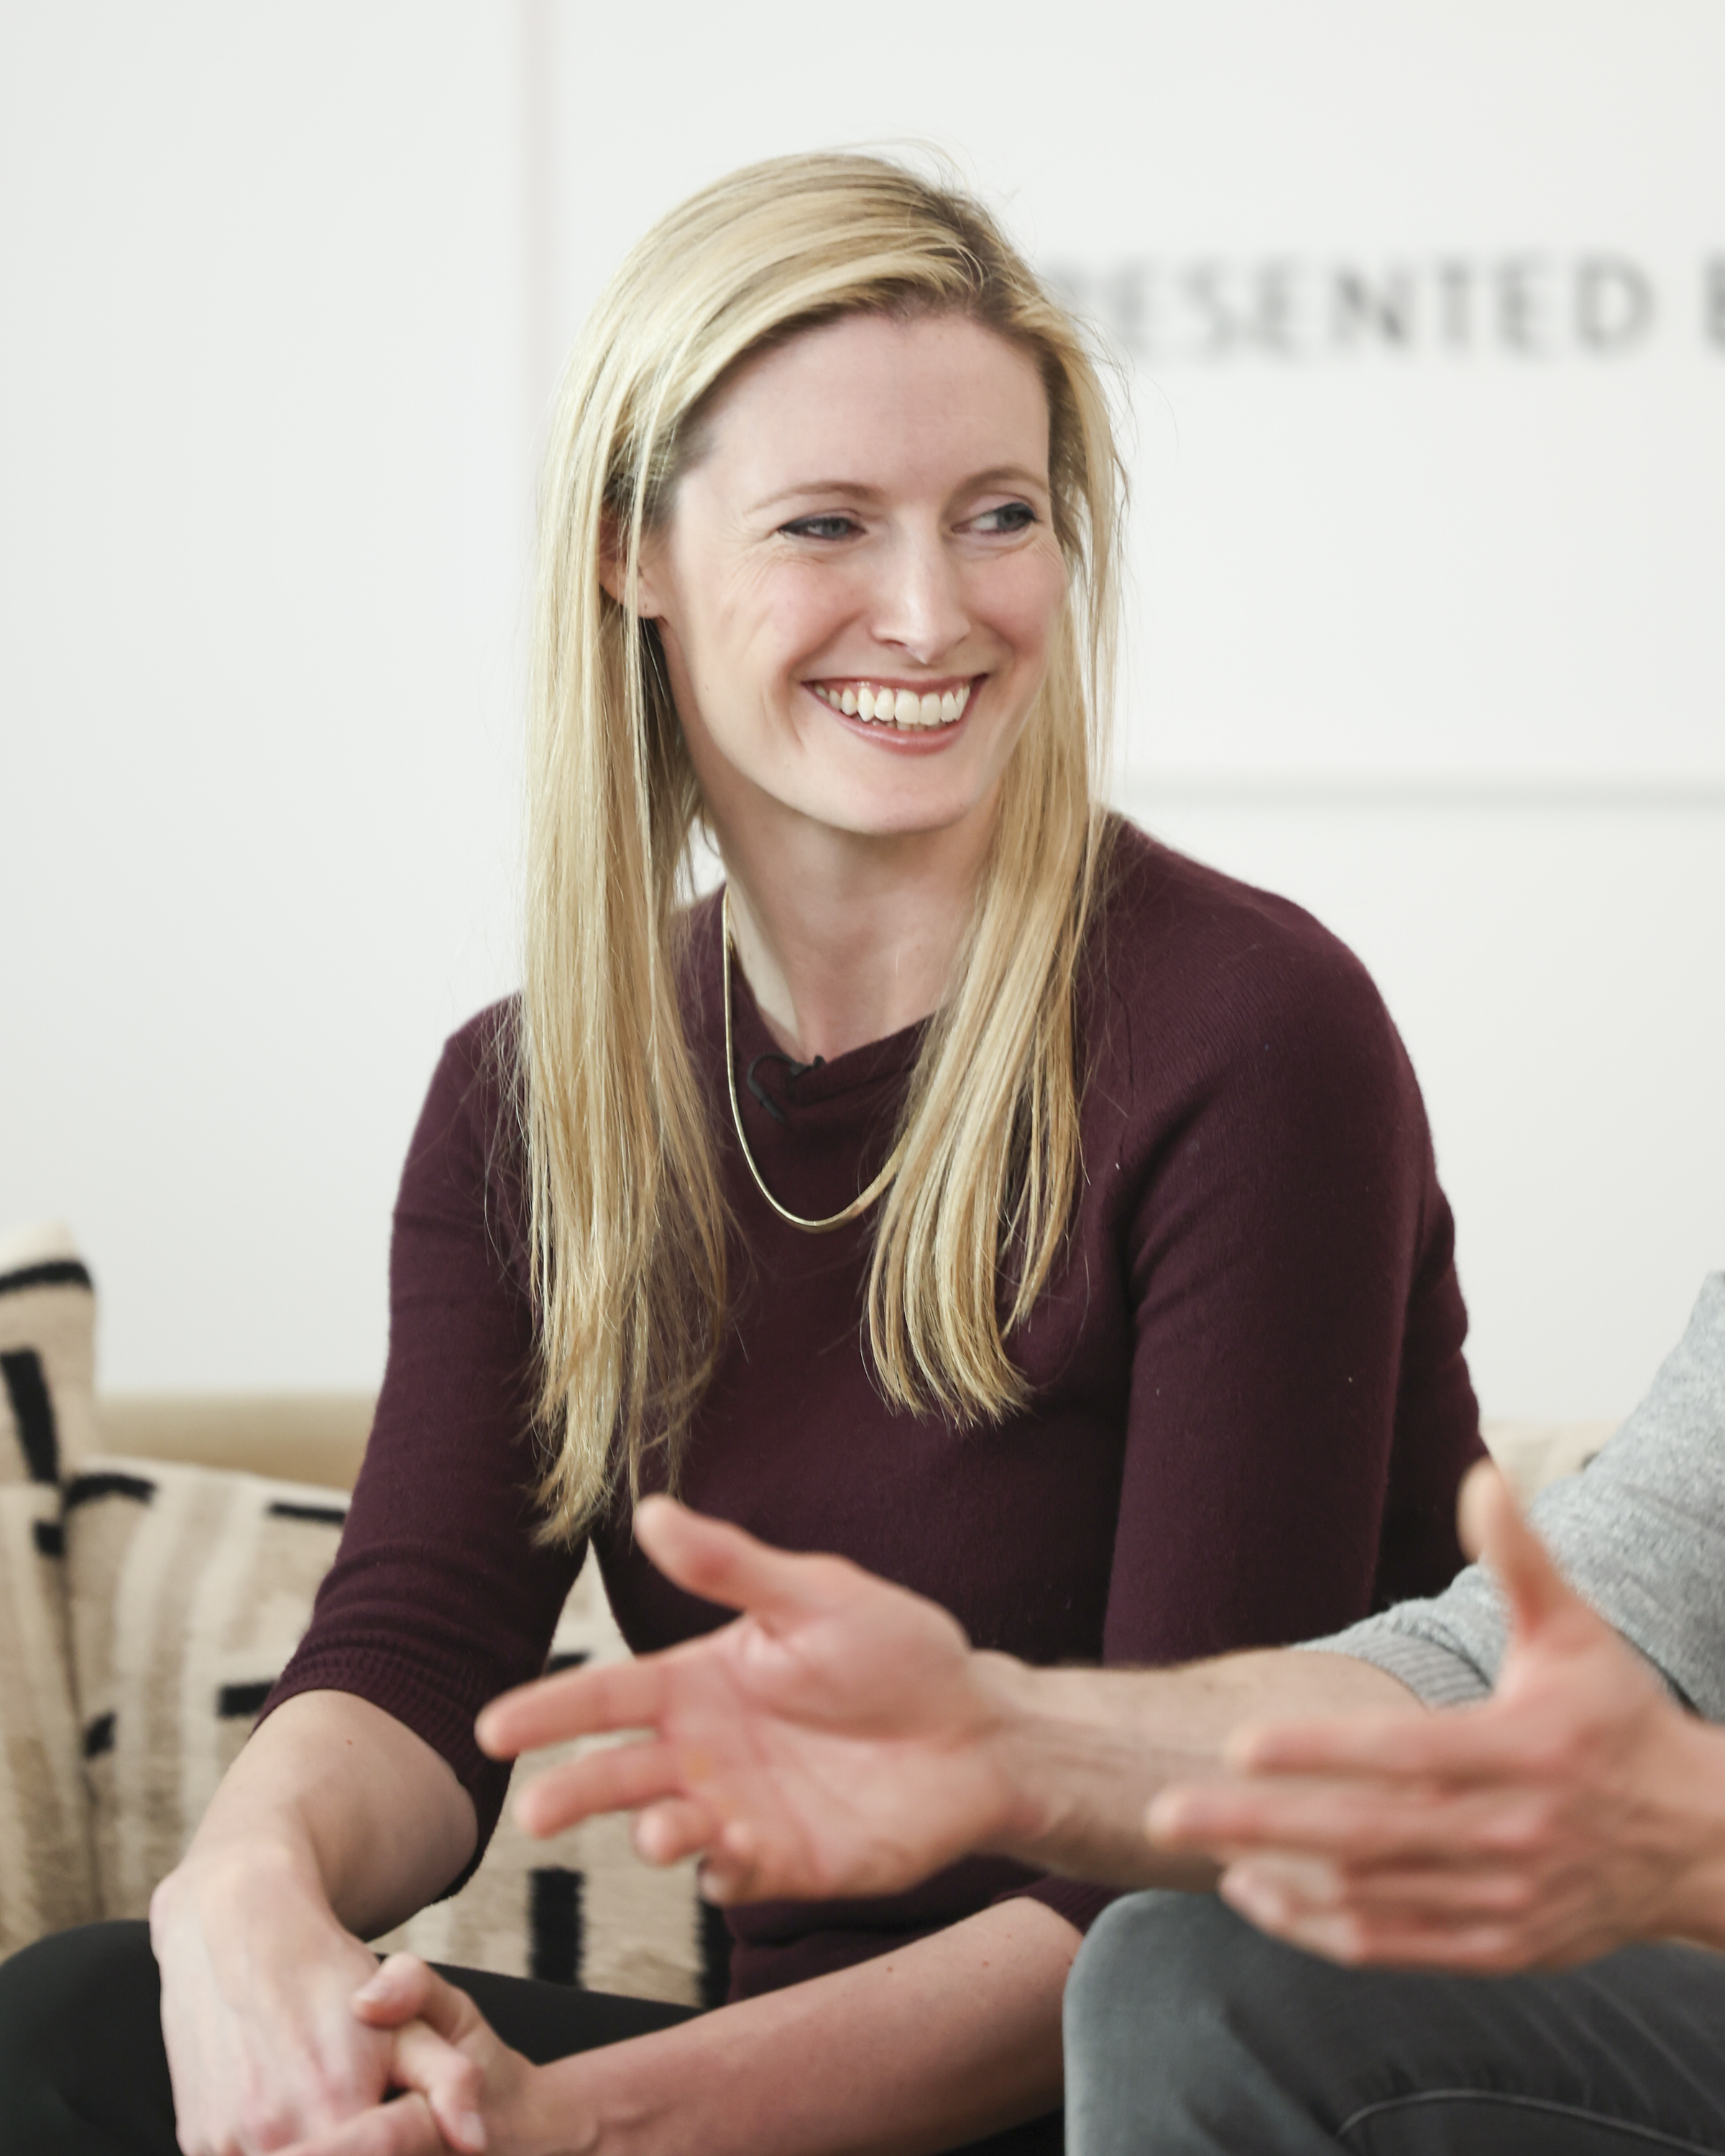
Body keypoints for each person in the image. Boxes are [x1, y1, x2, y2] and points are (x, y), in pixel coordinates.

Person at [0, 152, 1481, 2156]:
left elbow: (1183, 1866)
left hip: (1184, 2072)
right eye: (827, 525)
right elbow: (422, 1648)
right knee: (76, 2024)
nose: (934, 613)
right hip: (777, 2083)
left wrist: (576, 2130)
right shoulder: (528, 1098)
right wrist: (236, 1904)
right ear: (634, 553)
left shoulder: (1252, 1034)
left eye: (1000, 518)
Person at [401, 1273, 1724, 2155]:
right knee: (1191, 1975)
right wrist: (1012, 1738)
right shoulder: (518, 1076)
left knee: (1187, 1973)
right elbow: (1508, 1658)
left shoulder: (1256, 1021)